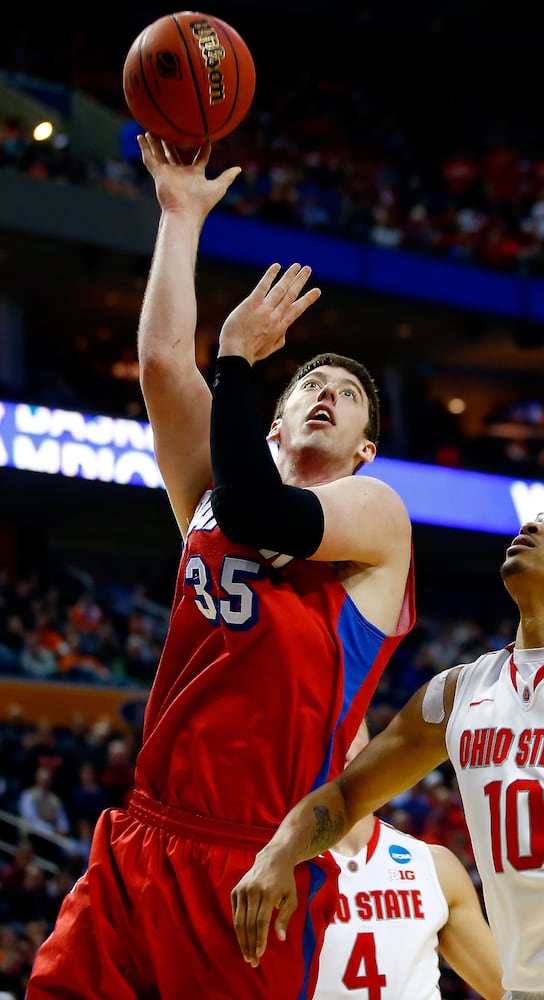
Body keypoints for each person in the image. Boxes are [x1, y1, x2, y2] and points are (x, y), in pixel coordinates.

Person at [26, 135, 414, 1000]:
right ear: (270, 425)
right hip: (141, 836)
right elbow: (165, 365)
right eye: (310, 382)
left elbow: (261, 511)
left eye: (347, 396)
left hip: (254, 856)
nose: (326, 392)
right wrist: (178, 216)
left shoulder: (377, 514)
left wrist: (240, 359)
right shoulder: (208, 494)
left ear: (366, 447)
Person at [233, 505, 544, 1000]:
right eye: (537, 518)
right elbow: (347, 795)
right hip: (531, 988)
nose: (533, 525)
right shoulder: (457, 693)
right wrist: (279, 852)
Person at [314, 719, 503, 1000]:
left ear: (373, 746)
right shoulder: (270, 872)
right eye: (324, 731)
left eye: (349, 728)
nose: (339, 742)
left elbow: (508, 991)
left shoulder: (435, 866)